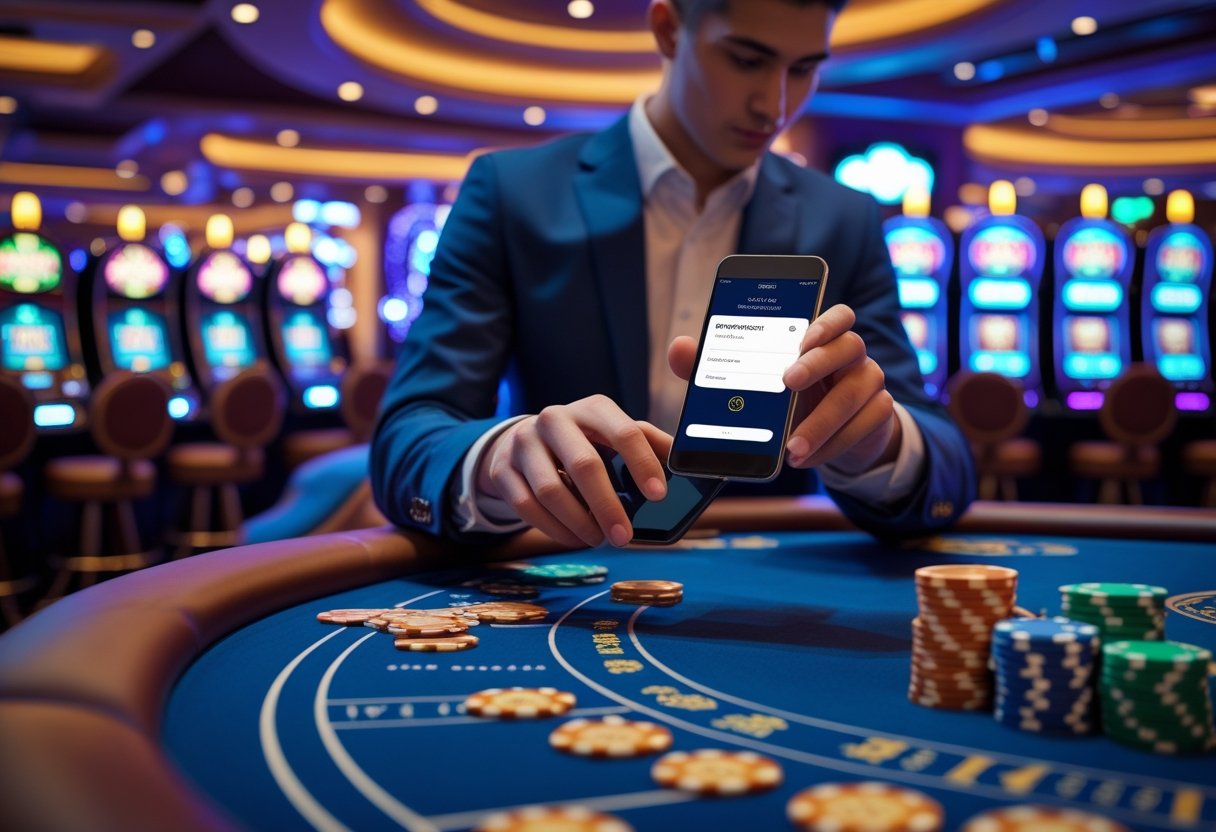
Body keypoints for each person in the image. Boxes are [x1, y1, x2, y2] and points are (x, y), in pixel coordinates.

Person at [371, 0, 976, 547]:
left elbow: (946, 459)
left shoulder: (842, 217)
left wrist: (876, 445)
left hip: (765, 590)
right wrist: (498, 457)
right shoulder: (511, 192)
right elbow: (409, 439)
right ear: (667, 28)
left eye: (802, 69)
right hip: (570, 572)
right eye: (747, 60)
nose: (776, 105)